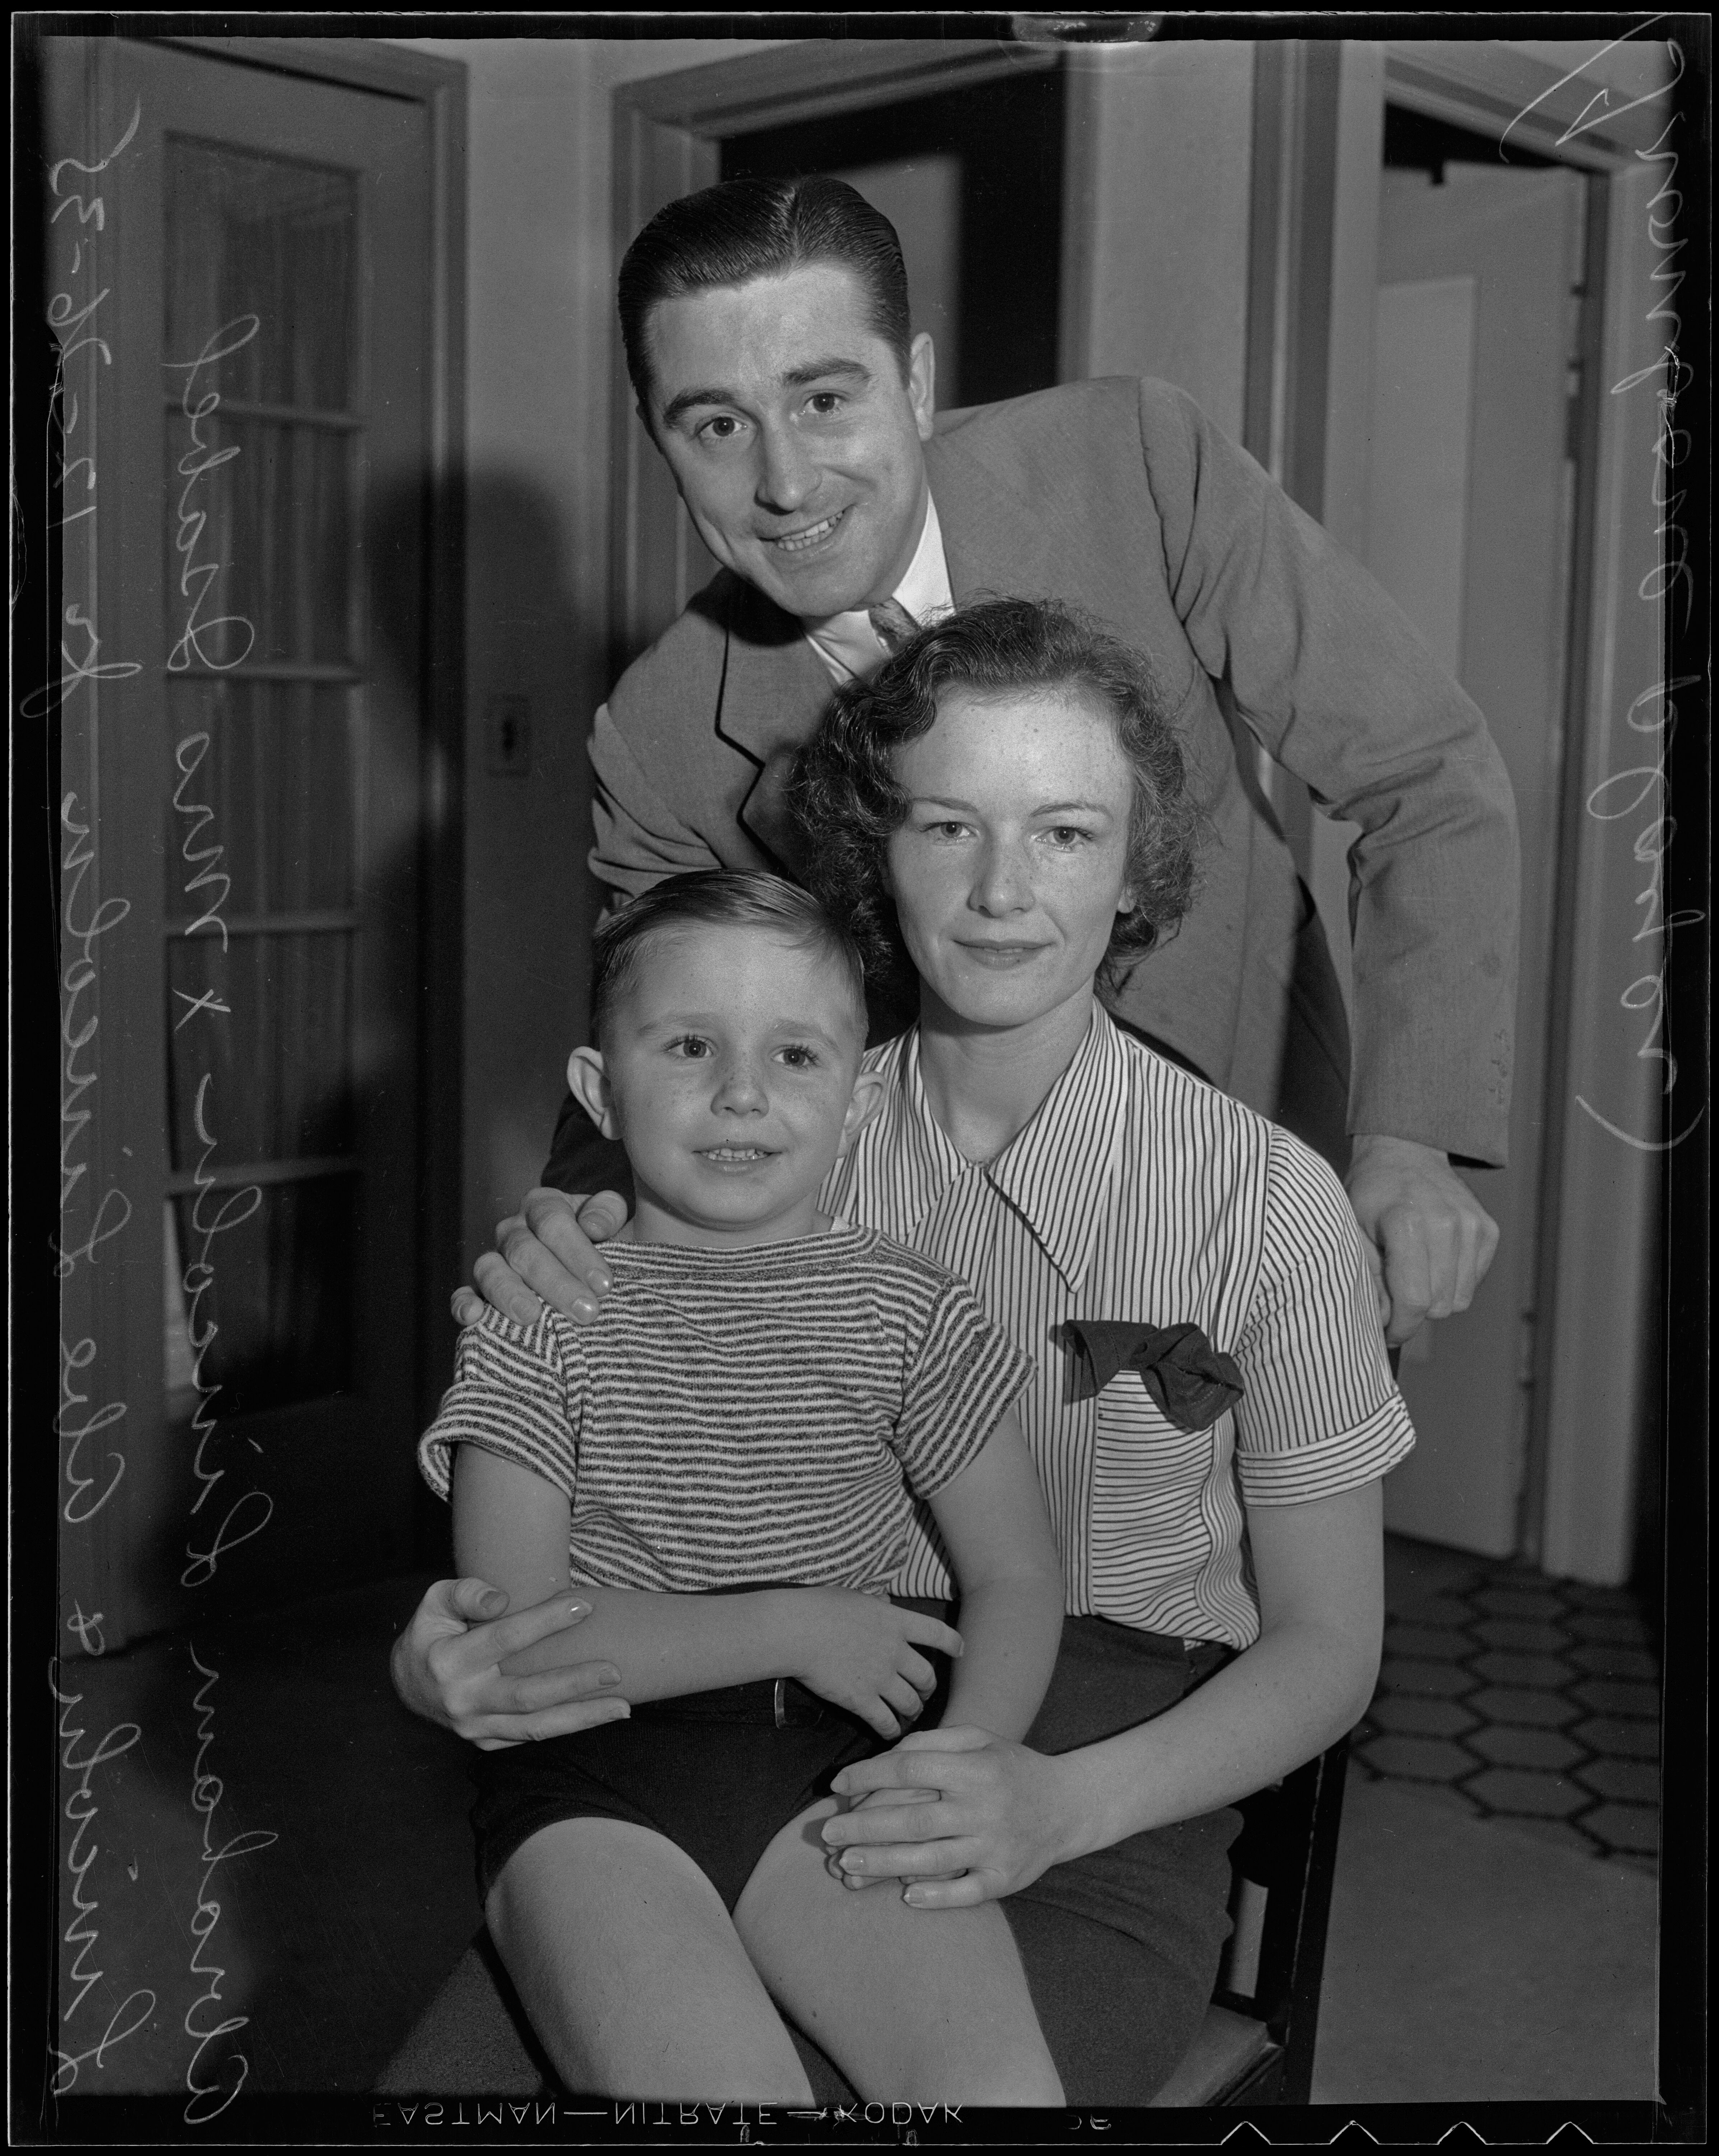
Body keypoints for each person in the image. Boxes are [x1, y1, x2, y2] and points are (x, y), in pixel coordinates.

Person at [395, 598, 1415, 2102]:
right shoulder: (768, 1121)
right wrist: (453, 1662)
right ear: (875, 848)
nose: (1001, 889)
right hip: (747, 1711)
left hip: (1102, 1773)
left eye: (1064, 833)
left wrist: (1055, 1805)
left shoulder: (1266, 1202)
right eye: (946, 827)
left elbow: (1329, 1644)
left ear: (1136, 865)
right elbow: (553, 1496)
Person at [511, 170, 1509, 1349]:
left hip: (1260, 1145)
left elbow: (1425, 777)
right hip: (939, 1273)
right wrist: (574, 1217)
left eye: (826, 398)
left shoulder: (1137, 461)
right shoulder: (660, 734)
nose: (784, 484)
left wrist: (1405, 1145)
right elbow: (657, 1029)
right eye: (718, 424)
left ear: (918, 383)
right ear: (661, 444)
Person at [418, 870, 1066, 2101]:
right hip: (592, 1783)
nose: (743, 1094)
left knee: (1002, 2097)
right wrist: (796, 1626)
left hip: (842, 1761)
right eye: (691, 1045)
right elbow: (520, 1648)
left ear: (857, 1099)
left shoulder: (914, 1310)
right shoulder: (541, 1315)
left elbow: (1019, 1574)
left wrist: (966, 1759)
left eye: (797, 1056)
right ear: (601, 1088)